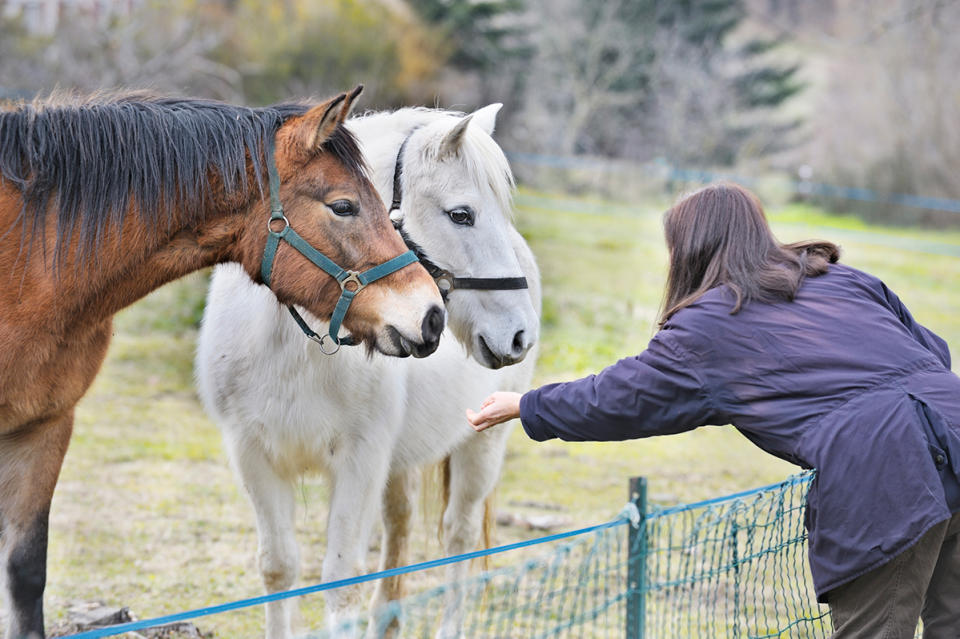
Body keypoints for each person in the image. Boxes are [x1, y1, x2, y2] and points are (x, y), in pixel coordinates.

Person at [466, 183, 960, 639]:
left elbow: (623, 396)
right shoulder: (841, 278)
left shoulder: (711, 325)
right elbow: (932, 353)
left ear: (690, 249)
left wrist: (528, 404)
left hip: (884, 471)